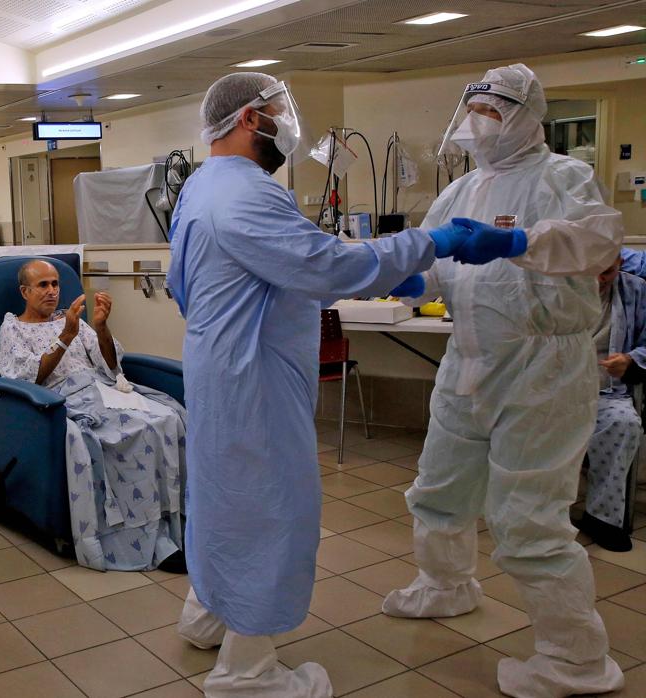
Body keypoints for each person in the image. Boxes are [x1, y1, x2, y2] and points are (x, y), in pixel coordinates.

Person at [165, 72, 521, 696]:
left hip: (217, 366)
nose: (288, 123)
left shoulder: (201, 187)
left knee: (224, 496)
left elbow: (226, 279)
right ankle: (247, 671)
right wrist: (428, 244)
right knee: (269, 506)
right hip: (256, 378)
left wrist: (377, 273)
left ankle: (210, 613)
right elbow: (327, 263)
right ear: (251, 119)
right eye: (280, 110)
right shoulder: (249, 193)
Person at [382, 64, 625, 697]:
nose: (480, 123)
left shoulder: (562, 177)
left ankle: (576, 660)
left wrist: (517, 239)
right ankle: (446, 583)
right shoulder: (460, 191)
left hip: (542, 369)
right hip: (468, 361)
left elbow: (599, 244)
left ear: (524, 115)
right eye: (477, 110)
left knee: (529, 519)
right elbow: (439, 262)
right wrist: (412, 280)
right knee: (439, 488)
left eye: (494, 111)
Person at [0, 259, 185, 571]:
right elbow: (29, 381)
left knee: (167, 418)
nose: (52, 291)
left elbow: (110, 366)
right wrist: (64, 338)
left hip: (102, 390)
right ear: (24, 291)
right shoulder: (13, 329)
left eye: (55, 283)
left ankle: (183, 523)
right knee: (123, 437)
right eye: (43, 285)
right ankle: (151, 538)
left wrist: (100, 328)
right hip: (64, 399)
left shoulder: (71, 320)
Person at [577, 255, 645, 552]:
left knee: (624, 423)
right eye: (591, 272)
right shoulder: (553, 287)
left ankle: (602, 518)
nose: (598, 281)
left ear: (619, 262)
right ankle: (538, 512)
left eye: (607, 272)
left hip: (608, 391)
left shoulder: (635, 290)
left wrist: (632, 360)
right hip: (553, 392)